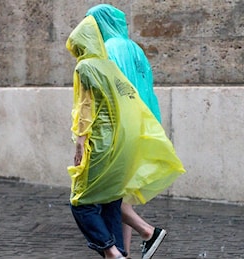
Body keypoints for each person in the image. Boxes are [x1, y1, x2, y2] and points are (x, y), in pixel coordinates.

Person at [66, 14, 185, 259]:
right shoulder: (130, 51)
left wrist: (81, 139)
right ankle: (122, 251)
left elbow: (85, 106)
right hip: (129, 133)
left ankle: (118, 249)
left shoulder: (91, 63)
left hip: (103, 138)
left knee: (82, 201)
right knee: (113, 198)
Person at [85, 4, 167, 258]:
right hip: (142, 125)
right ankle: (123, 253)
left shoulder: (108, 50)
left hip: (118, 128)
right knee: (122, 194)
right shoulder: (134, 48)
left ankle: (147, 231)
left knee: (96, 193)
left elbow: (108, 92)